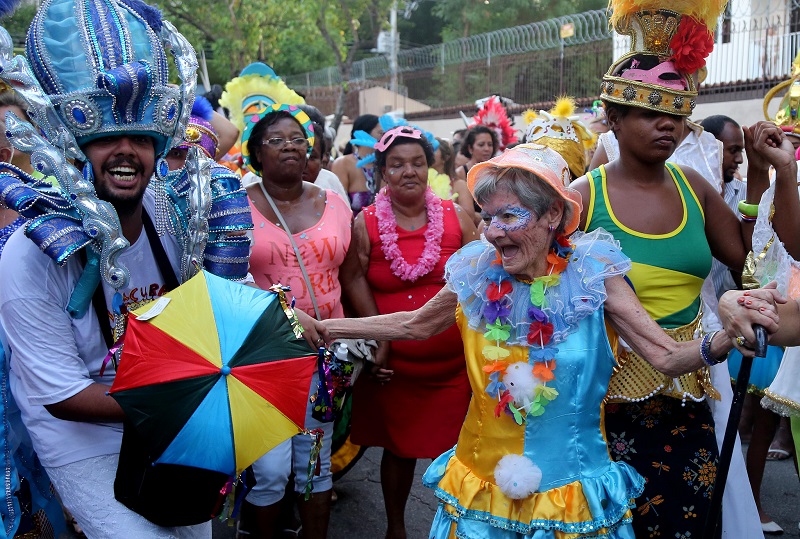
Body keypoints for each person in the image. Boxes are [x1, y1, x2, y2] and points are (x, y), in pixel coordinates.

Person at [301, 143, 765, 539]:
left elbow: (665, 355)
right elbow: (416, 325)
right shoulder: (478, 270)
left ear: (553, 215)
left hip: (571, 500)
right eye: (487, 217)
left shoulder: (593, 275)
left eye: (509, 215)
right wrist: (329, 328)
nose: (493, 231)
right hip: (481, 494)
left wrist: (723, 341)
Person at [0, 1, 252, 536]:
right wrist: (191, 395)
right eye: (106, 138)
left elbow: (226, 302)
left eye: (141, 138)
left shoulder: (174, 211)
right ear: (72, 147)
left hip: (173, 410)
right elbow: (65, 397)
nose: (127, 152)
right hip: (84, 431)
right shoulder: (31, 253)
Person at [572, 3, 799, 536]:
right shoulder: (583, 197)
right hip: (605, 391)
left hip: (694, 382)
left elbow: (754, 262)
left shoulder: (695, 189)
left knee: (686, 519)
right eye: (651, 113)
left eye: (675, 114)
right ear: (614, 120)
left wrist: (774, 174)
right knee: (612, 521)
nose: (666, 126)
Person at [239, 103, 382, 539]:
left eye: (298, 139)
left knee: (315, 464)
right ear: (256, 153)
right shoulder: (235, 208)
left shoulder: (336, 204)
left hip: (325, 356)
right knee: (270, 469)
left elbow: (351, 275)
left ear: (311, 150)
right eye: (276, 140)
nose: (290, 146)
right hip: (262, 358)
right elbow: (225, 282)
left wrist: (377, 333)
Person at [350, 126, 476, 539]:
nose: (409, 171)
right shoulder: (364, 223)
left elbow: (483, 280)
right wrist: (379, 341)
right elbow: (353, 279)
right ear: (382, 172)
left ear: (430, 167)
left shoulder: (458, 216)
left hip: (454, 370)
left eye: (417, 163)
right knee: (398, 451)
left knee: (461, 455)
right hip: (394, 369)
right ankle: (397, 528)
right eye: (397, 164)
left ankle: (456, 530)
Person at [332, 114, 383, 214]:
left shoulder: (385, 165)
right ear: (364, 134)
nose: (384, 137)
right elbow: (337, 208)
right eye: (381, 133)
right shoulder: (343, 164)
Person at [428, 137, 475, 223]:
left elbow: (469, 216)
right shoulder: (422, 184)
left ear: (446, 157)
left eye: (434, 149)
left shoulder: (459, 185)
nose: (429, 153)